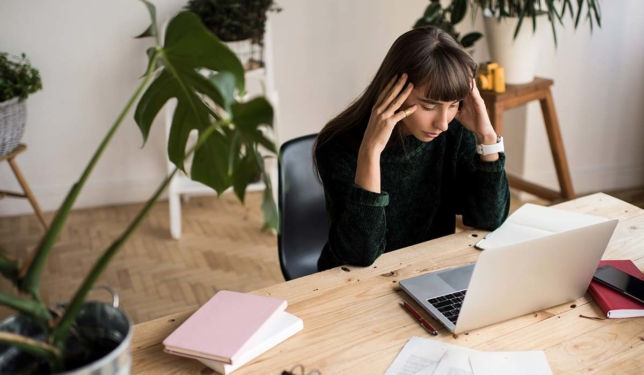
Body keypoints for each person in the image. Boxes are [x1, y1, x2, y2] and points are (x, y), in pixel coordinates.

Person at [313, 26, 511, 272]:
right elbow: (360, 254)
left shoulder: (453, 131)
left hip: (425, 270)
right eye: (429, 106)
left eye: (453, 105)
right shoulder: (337, 146)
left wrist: (486, 135)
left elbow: (489, 219)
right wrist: (371, 152)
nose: (442, 123)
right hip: (349, 281)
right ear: (393, 91)